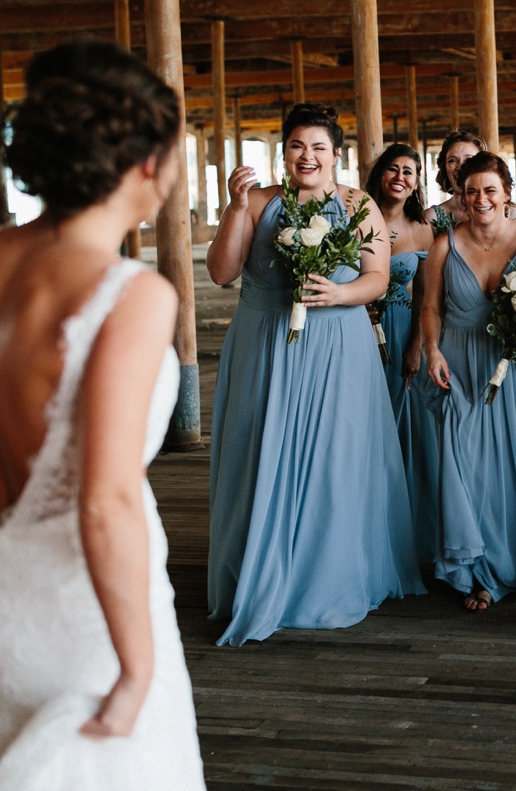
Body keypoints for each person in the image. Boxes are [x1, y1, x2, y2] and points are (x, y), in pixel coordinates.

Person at [0, 39, 204, 787]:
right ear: (149, 161)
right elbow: (106, 502)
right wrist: (136, 669)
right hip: (82, 616)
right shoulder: (130, 293)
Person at [206, 103, 423, 646]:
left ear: (337, 155)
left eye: (319, 147)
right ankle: (257, 569)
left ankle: (322, 575)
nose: (308, 156)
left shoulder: (358, 204)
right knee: (259, 450)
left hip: (337, 344)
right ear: (283, 152)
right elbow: (221, 272)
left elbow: (376, 278)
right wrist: (235, 207)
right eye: (297, 146)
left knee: (332, 457)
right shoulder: (258, 201)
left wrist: (339, 293)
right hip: (264, 341)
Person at [418, 152, 516, 611]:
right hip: (461, 360)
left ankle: (513, 566)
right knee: (466, 460)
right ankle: (476, 566)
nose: (481, 198)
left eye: (490, 189)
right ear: (461, 198)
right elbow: (430, 306)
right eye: (471, 191)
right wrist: (431, 350)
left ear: (508, 194)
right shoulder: (444, 245)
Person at [365, 144, 440, 567]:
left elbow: (427, 297)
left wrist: (415, 346)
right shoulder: (356, 217)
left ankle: (409, 530)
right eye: (393, 168)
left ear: (416, 183)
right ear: (380, 174)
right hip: (359, 327)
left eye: (409, 172)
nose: (400, 177)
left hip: (402, 329)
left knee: (406, 428)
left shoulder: (422, 230)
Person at [428, 130, 486, 233]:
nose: (460, 166)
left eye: (468, 159)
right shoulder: (432, 218)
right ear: (445, 169)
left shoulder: (508, 211)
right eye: (452, 161)